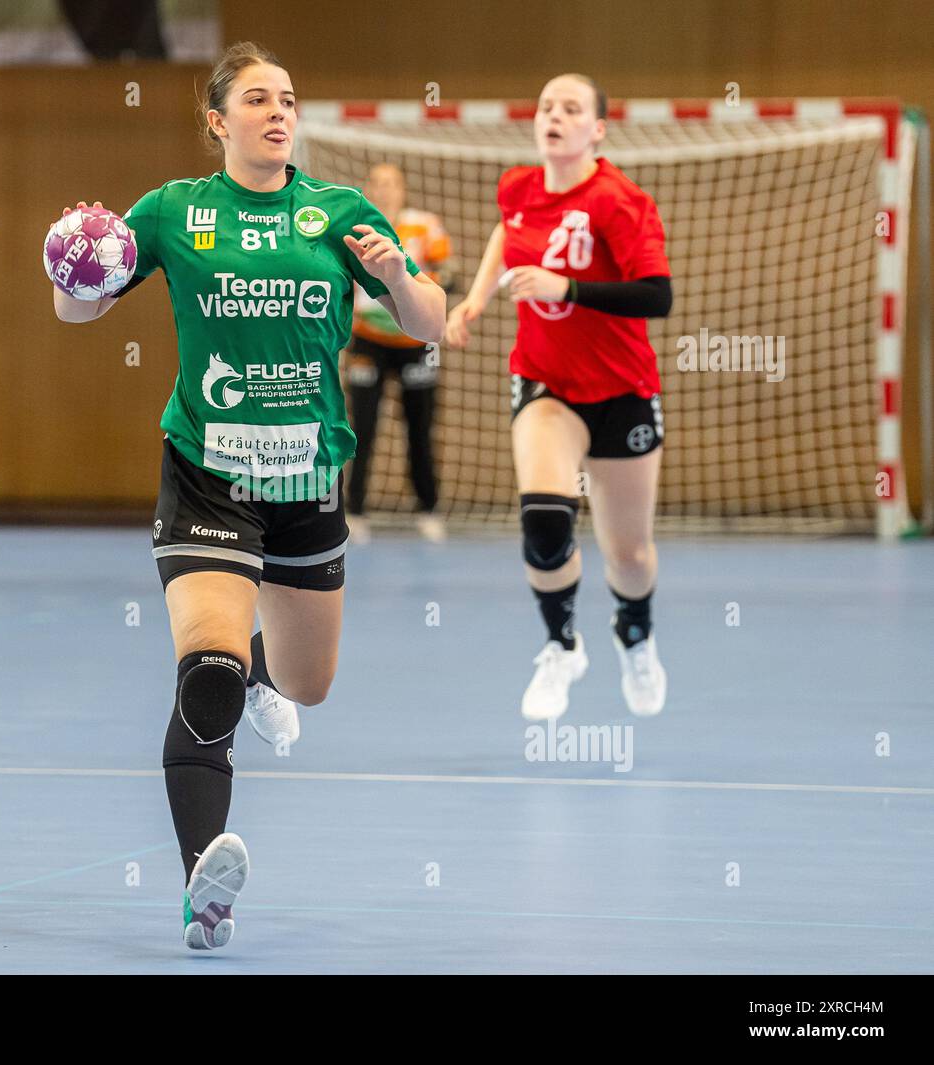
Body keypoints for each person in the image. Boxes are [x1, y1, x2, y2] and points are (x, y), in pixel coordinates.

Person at [51, 41, 444, 950]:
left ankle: (268, 667)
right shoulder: (176, 213)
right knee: (209, 668)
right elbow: (82, 309)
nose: (279, 112)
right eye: (259, 99)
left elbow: (427, 328)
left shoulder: (336, 213)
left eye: (289, 99)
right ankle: (203, 885)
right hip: (207, 475)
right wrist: (75, 268)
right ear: (219, 121)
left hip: (308, 480)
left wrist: (393, 275)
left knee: (308, 682)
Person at [446, 73, 672, 722]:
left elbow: (658, 296)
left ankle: (634, 630)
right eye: (547, 105)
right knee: (545, 523)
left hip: (622, 390)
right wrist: (476, 298)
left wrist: (566, 287)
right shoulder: (518, 187)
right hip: (545, 382)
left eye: (572, 108)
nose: (555, 115)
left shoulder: (620, 201)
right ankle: (561, 643)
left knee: (628, 554)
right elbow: (505, 233)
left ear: (596, 129)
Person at [345, 163, 453, 543]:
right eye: (376, 182)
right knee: (364, 427)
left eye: (391, 183)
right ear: (368, 188)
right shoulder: (355, 226)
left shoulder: (424, 226)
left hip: (416, 345)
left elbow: (448, 275)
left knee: (420, 429)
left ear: (403, 188)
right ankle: (355, 511)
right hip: (368, 341)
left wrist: (419, 294)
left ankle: (429, 509)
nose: (385, 190)